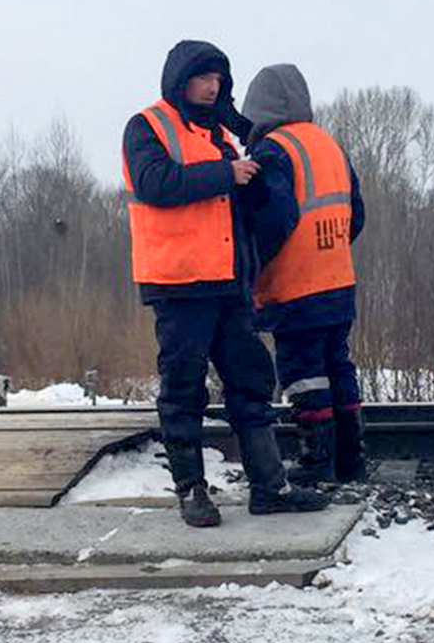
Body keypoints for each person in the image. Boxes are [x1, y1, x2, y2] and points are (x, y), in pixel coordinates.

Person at [121, 40, 331, 527]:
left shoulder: (220, 135)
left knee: (251, 383)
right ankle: (191, 491)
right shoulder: (146, 127)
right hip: (178, 285)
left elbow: (240, 197)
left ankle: (269, 487)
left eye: (219, 78)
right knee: (184, 389)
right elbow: (156, 182)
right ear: (181, 79)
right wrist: (227, 173)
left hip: (227, 283)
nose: (212, 85)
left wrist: (255, 178)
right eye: (203, 77)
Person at [240, 64, 366, 485]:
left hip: (296, 286)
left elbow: (274, 218)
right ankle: (352, 460)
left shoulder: (273, 151)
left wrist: (250, 267)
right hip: (338, 281)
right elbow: (357, 214)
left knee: (302, 371)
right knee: (338, 366)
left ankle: (317, 461)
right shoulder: (329, 145)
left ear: (257, 109)